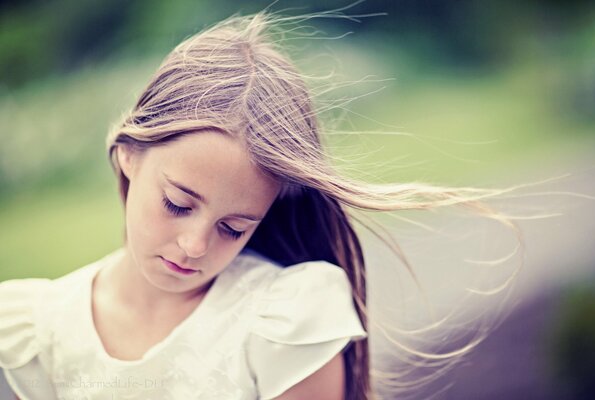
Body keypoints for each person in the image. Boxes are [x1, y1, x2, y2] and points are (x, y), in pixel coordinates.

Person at [0, 10, 523, 400]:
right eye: (179, 204)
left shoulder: (283, 320)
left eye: (234, 228)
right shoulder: (36, 331)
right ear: (129, 155)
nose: (195, 245)